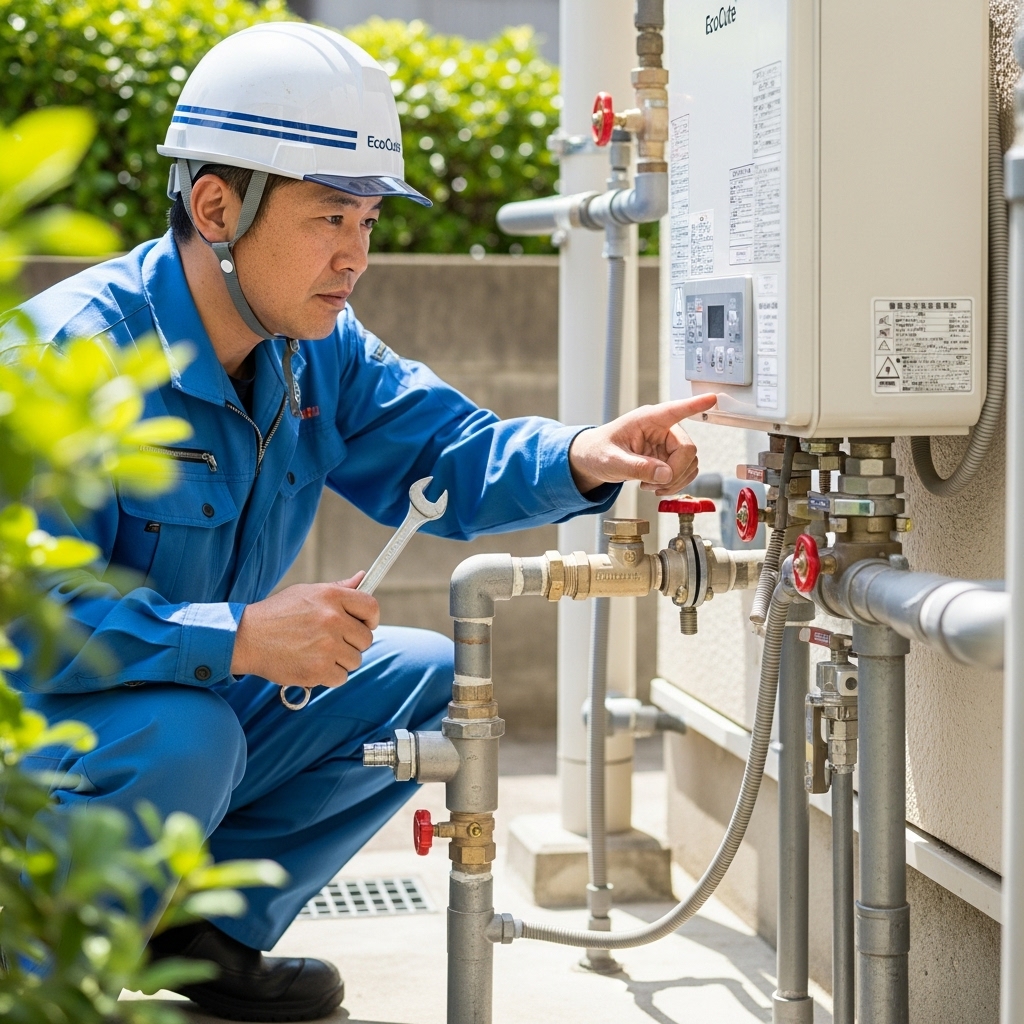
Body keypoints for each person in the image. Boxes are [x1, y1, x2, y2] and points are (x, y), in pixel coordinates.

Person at [6, 21, 716, 1023]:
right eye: (330, 216)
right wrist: (244, 636)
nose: (357, 255)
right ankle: (39, 978)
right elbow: (19, 614)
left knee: (422, 679)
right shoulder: (64, 360)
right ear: (217, 206)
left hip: (178, 697)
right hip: (40, 735)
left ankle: (204, 943)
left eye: (368, 222)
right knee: (188, 730)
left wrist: (586, 452)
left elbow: (450, 452)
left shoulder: (315, 347)